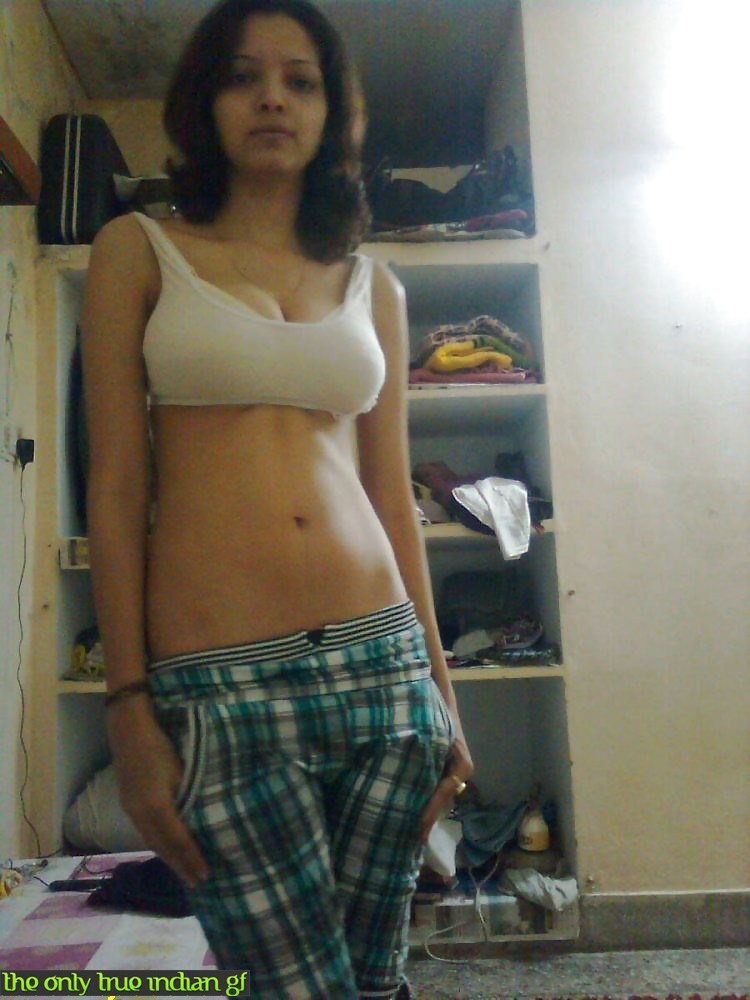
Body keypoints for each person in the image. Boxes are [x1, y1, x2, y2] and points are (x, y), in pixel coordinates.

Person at [80, 0, 473, 996]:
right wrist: (127, 710)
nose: (271, 99)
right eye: (244, 76)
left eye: (300, 81)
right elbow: (116, 489)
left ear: (332, 112)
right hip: (221, 685)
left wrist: (443, 690)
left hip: (383, 666)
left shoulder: (375, 286)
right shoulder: (137, 248)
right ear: (204, 102)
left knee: (374, 979)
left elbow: (392, 497)